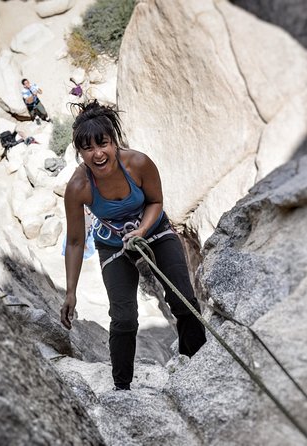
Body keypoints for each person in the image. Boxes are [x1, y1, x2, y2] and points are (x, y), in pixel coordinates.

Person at [60, 100, 206, 391]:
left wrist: (141, 229)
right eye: (88, 148)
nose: (98, 154)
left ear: (114, 141)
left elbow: (155, 201)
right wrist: (71, 292)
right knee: (124, 318)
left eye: (103, 144)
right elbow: (76, 242)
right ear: (80, 152)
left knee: (182, 299)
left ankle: (201, 364)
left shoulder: (138, 163)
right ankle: (122, 388)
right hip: (113, 244)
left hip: (154, 230)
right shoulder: (78, 188)